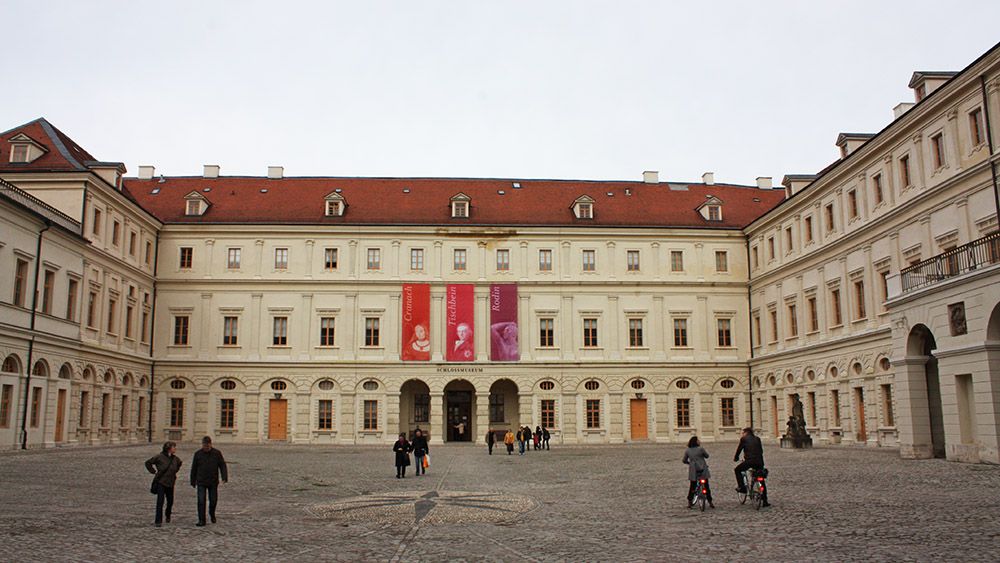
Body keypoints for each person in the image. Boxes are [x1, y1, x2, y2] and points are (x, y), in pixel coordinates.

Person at [190, 436, 227, 527]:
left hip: (213, 481)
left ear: (210, 444)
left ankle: (212, 513)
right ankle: (201, 520)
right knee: (201, 501)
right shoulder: (198, 454)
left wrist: (224, 477)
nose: (206, 447)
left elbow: (222, 465)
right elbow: (194, 468)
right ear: (202, 444)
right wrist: (192, 480)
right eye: (204, 445)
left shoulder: (217, 453)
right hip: (201, 481)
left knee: (213, 500)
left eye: (207, 446)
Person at [145, 441, 181, 527]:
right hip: (161, 482)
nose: (175, 449)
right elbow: (148, 463)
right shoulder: (159, 457)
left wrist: (174, 472)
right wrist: (153, 471)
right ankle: (158, 520)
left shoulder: (175, 459)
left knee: (170, 501)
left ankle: (168, 514)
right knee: (160, 502)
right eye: (174, 447)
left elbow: (179, 464)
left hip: (171, 482)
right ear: (169, 449)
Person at [734, 427, 769, 507]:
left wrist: (736, 458)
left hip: (749, 461)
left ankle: (742, 487)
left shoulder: (744, 439)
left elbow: (739, 449)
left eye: (743, 433)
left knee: (737, 470)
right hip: (759, 462)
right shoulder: (757, 439)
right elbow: (761, 450)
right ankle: (765, 500)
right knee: (761, 479)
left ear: (746, 433)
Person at [683, 436, 714, 509]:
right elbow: (707, 456)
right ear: (696, 442)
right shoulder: (701, 449)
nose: (699, 441)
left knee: (692, 486)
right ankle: (710, 501)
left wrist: (689, 463)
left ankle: (690, 501)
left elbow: (684, 460)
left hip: (693, 470)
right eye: (698, 440)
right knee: (706, 486)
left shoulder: (688, 450)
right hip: (703, 468)